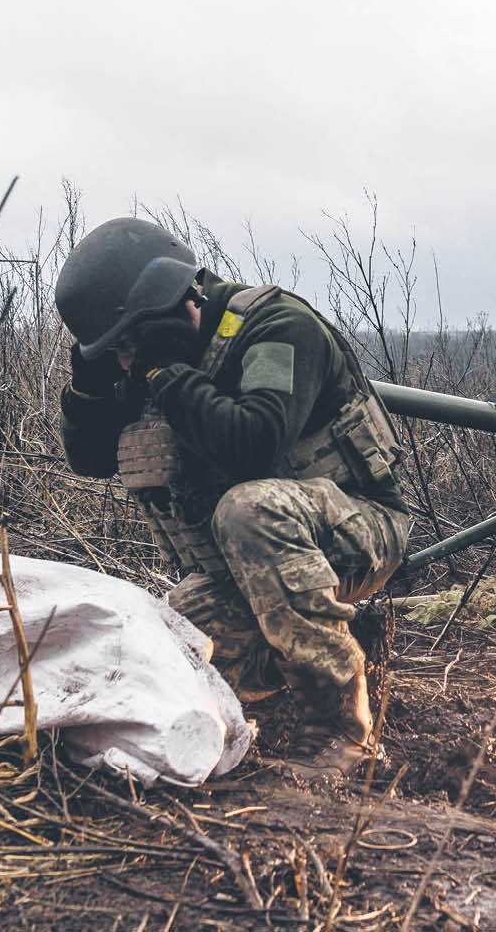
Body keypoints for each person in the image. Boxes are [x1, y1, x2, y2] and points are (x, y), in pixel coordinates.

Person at [54, 217, 408, 776]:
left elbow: (252, 444)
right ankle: (330, 638)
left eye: (128, 345)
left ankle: (343, 726)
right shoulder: (148, 357)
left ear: (169, 309)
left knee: (249, 508)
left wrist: (166, 371)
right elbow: (88, 460)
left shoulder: (277, 327)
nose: (126, 362)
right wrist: (91, 388)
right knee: (179, 650)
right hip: (249, 570)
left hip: (357, 529)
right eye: (114, 352)